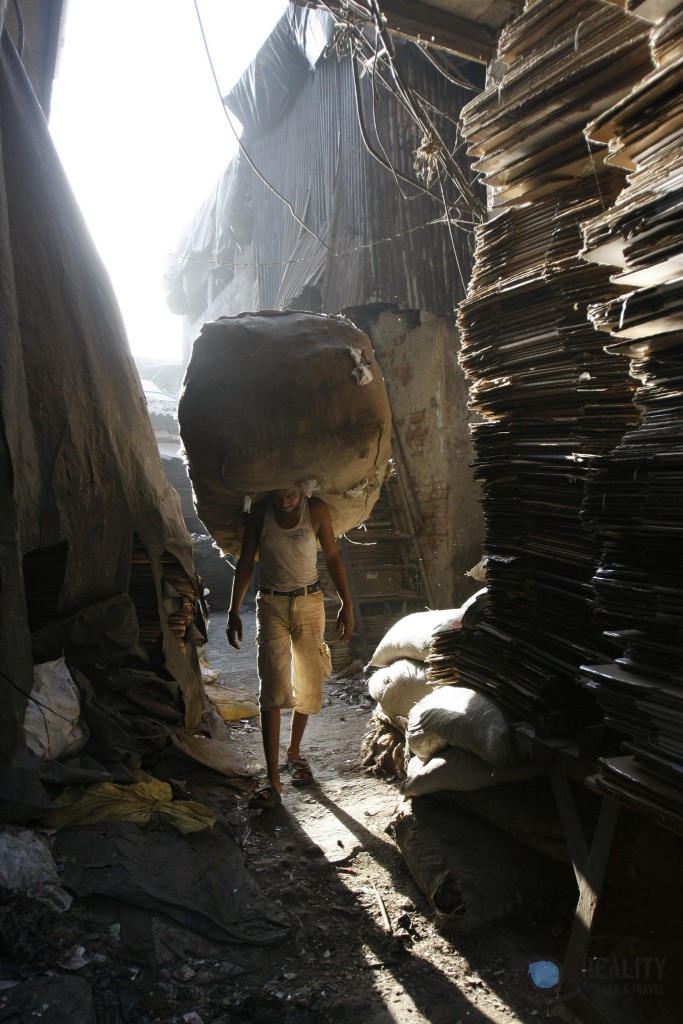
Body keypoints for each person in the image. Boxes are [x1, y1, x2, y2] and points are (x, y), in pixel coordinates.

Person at [226, 487, 354, 808]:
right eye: (279, 497)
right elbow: (245, 563)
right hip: (270, 604)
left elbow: (333, 556)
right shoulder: (259, 514)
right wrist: (232, 610)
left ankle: (294, 753)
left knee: (310, 681)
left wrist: (345, 603)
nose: (284, 503)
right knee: (271, 687)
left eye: (291, 497)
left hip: (310, 604)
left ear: (302, 489)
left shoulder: (318, 510)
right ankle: (273, 779)